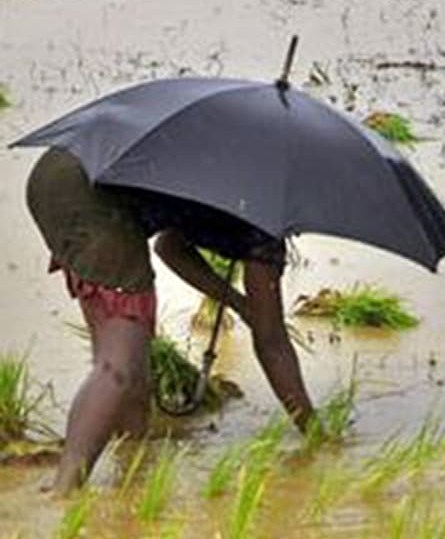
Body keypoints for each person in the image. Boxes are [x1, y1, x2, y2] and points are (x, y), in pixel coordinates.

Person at [25, 148, 314, 494]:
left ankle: (131, 466)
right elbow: (272, 341)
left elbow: (170, 247)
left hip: (58, 172)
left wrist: (236, 302)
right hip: (93, 199)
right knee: (118, 367)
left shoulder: (236, 172)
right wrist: (314, 430)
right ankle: (64, 489)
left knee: (131, 361)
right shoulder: (265, 226)